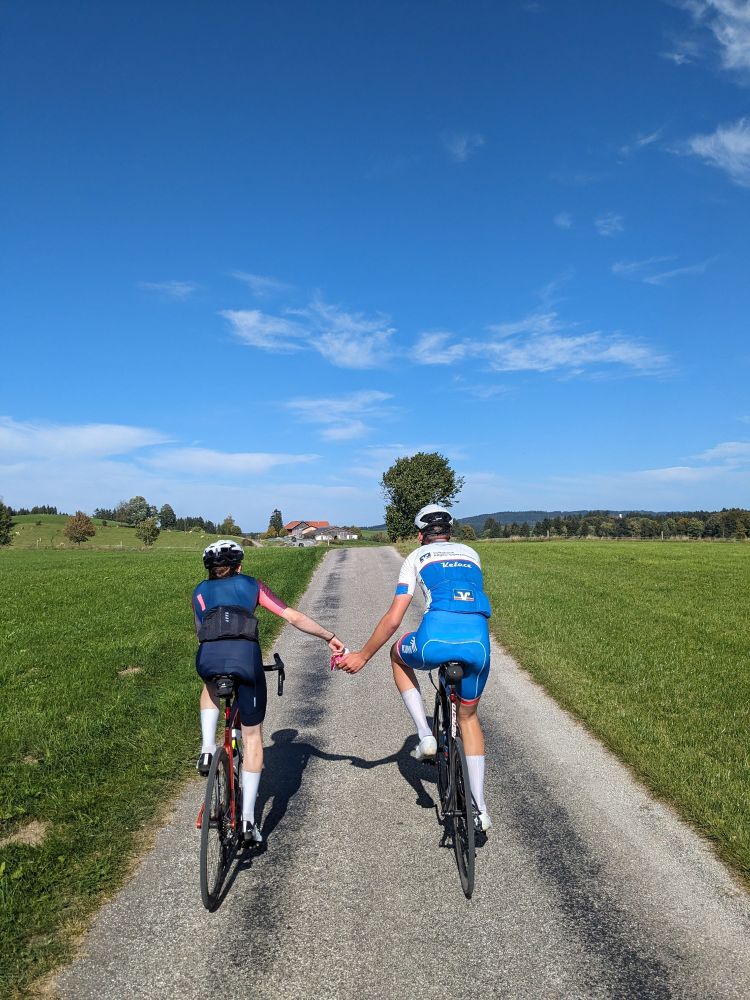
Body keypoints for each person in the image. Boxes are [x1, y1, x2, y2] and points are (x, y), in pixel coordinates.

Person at [338, 505, 492, 831]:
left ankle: (425, 735)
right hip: (478, 644)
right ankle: (480, 808)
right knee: (468, 717)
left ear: (421, 535)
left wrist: (364, 655)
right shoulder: (471, 553)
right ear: (450, 531)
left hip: (433, 642)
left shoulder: (416, 558)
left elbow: (395, 619)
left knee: (396, 655)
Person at [192, 539, 344, 843]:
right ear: (239, 565)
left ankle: (208, 749)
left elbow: (202, 632)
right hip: (246, 661)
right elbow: (292, 616)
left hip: (208, 659)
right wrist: (329, 636)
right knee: (252, 737)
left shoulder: (198, 591)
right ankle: (247, 820)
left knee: (209, 684)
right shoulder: (252, 585)